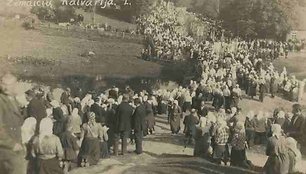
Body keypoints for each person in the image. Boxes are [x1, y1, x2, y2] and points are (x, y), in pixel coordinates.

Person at [0, 73, 26, 174]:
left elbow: (17, 123)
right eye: (3, 84)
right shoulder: (1, 101)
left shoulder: (12, 99)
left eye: (10, 84)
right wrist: (12, 144)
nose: (6, 87)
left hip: (14, 149)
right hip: (7, 151)